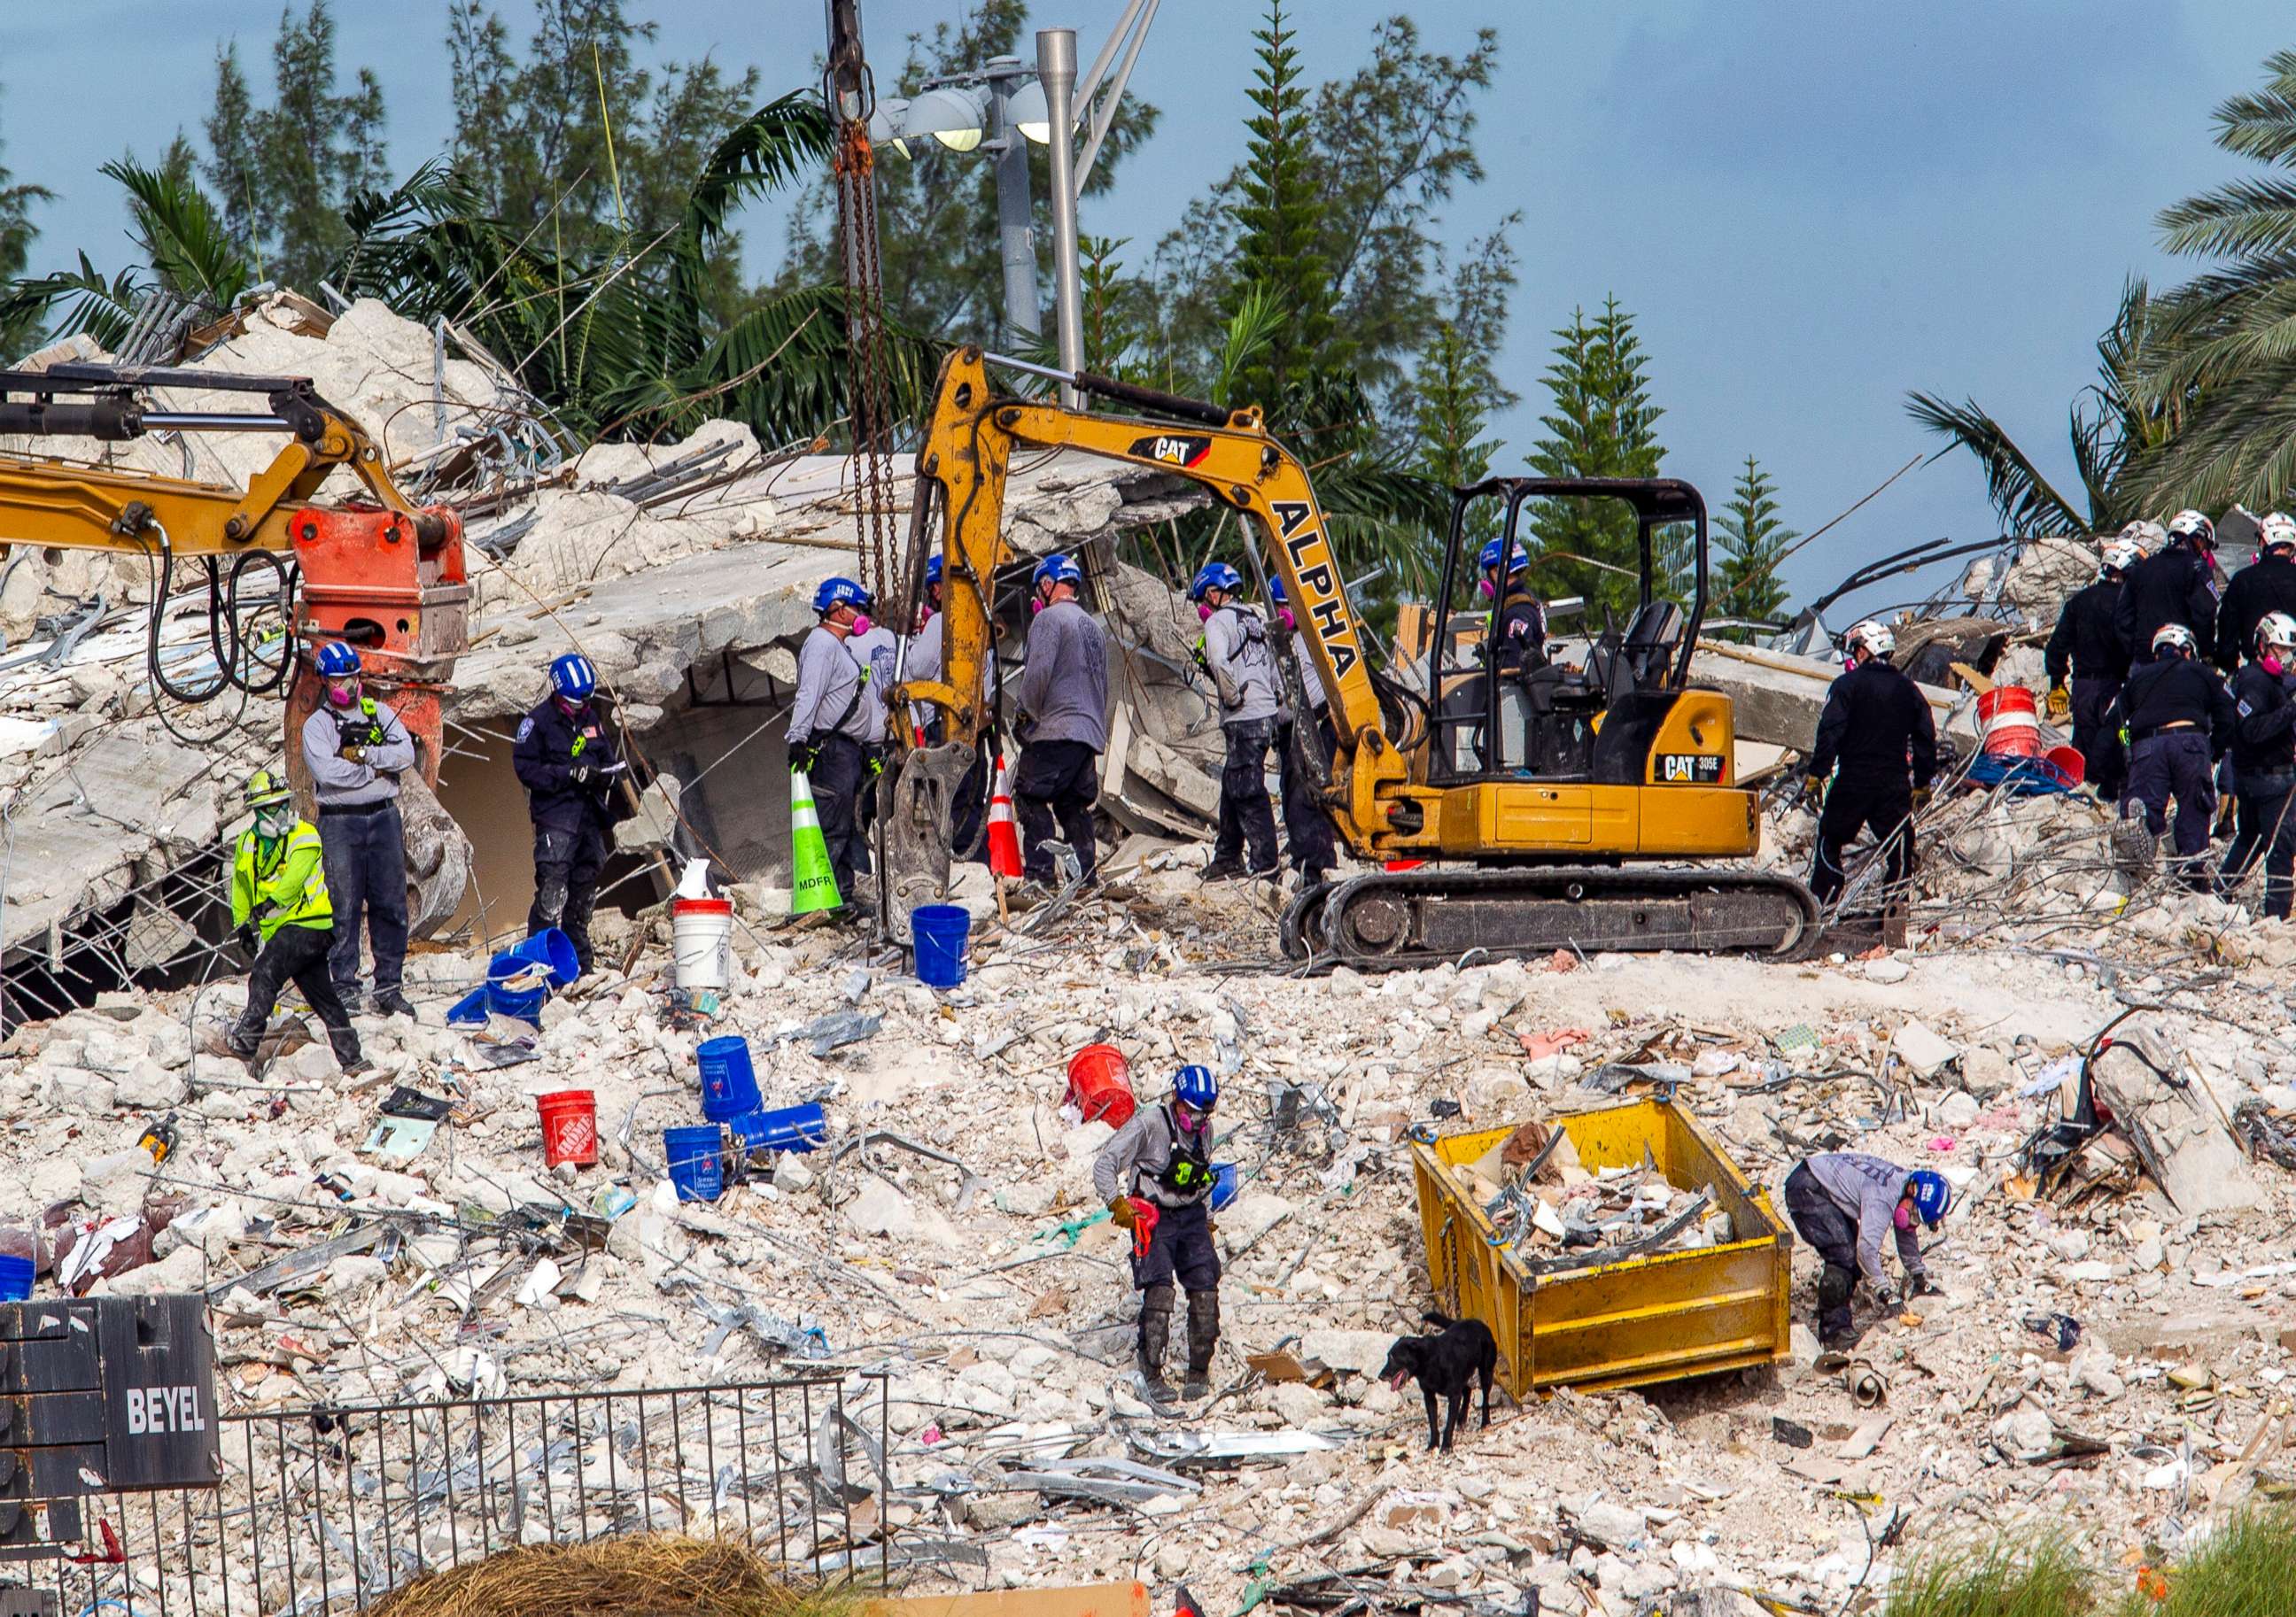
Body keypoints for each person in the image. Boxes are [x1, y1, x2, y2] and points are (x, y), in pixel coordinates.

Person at [299, 641, 416, 1017]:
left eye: (353, 677)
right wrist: (374, 770)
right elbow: (328, 774)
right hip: (340, 823)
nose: (348, 686)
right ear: (325, 682)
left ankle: (390, 986)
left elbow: (406, 754)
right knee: (342, 906)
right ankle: (344, 985)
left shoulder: (379, 713)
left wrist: (366, 755)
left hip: (383, 817)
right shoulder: (317, 727)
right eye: (340, 679)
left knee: (390, 903)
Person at [1095, 1064, 1223, 1401]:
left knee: (1206, 1289)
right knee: (1160, 1293)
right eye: (1191, 1113)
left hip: (1191, 1214)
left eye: (1203, 1115)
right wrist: (1116, 1203)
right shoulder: (1150, 1125)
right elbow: (1105, 1162)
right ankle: (1151, 1371)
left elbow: (1201, 1175)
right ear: (1176, 1101)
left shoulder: (1205, 1132)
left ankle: (1199, 1370)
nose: (1196, 1122)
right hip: (1153, 1216)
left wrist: (1206, 1218)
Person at [225, 770, 363, 1073]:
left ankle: (245, 1042)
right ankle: (352, 1058)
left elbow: (293, 880)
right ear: (257, 812)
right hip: (281, 933)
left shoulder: (305, 837)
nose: (280, 813)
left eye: (282, 805)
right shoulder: (248, 844)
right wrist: (242, 925)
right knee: (323, 997)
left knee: (265, 973)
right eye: (271, 808)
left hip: (310, 925)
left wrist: (271, 903)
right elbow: (241, 885)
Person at [1803, 619, 1937, 907]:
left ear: (1865, 649)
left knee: (1829, 841)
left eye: (1856, 650)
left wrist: (1817, 774)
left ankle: (1822, 906)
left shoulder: (1846, 686)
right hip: (1893, 784)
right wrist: (1923, 783)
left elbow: (1830, 733)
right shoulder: (1909, 690)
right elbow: (1926, 735)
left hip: (1853, 781)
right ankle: (1894, 914)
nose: (1854, 656)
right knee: (1900, 848)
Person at [511, 654, 629, 974]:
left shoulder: (591, 720)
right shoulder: (537, 724)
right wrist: (567, 774)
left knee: (583, 892)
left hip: (588, 815)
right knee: (552, 892)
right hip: (556, 817)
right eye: (575, 703)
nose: (581, 708)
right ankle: (537, 962)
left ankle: (580, 964)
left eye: (585, 702)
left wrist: (607, 776)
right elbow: (526, 769)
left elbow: (605, 756)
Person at [2111, 622, 2238, 884]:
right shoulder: (2203, 673)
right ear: (2186, 649)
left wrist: (2127, 750)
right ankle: (2191, 874)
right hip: (2190, 742)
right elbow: (2227, 712)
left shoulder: (2137, 679)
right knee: (2194, 809)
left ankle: (2141, 839)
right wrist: (2214, 750)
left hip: (2147, 745)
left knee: (2147, 803)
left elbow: (2118, 720)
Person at [1782, 1153, 1949, 1349]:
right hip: (1807, 1188)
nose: (1911, 1220)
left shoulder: (1904, 1184)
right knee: (1844, 1257)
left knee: (1850, 1253)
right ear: (1913, 1190)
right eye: (1913, 1213)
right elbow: (1867, 1250)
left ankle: (1839, 1315)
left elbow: (1905, 1231)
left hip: (1821, 1183)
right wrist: (1884, 1292)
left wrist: (1917, 1273)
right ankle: (1834, 1333)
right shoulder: (1883, 1198)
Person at [1012, 553, 1109, 888]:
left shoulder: (1049, 620)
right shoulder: (1094, 627)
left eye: (1041, 586)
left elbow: (1037, 673)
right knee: (1073, 805)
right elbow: (1102, 685)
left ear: (1049, 583)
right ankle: (1083, 877)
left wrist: (1025, 715)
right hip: (1087, 734)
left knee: (1029, 795)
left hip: (1056, 730)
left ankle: (1039, 876)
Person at [787, 576, 878, 911]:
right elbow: (809, 693)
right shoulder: (822, 645)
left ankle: (845, 896)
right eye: (855, 608)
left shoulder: (838, 646)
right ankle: (823, 900)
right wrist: (798, 737)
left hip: (848, 752)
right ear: (838, 610)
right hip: (833, 752)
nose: (859, 615)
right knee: (833, 824)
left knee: (849, 824)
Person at [1191, 561, 1283, 882]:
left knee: (1247, 789)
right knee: (1233, 783)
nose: (1204, 607)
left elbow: (1218, 662)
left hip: (1244, 714)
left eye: (1204, 598)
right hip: (1266, 712)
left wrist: (1231, 698)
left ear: (1215, 593)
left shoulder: (1217, 622)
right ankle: (1227, 856)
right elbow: (1271, 666)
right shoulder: (1254, 620)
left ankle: (1267, 865)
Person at [2045, 539, 2137, 803]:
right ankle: (2115, 797)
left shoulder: (2078, 602)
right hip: (2117, 690)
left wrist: (2056, 684)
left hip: (2084, 689)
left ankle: (2084, 800)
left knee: (2085, 743)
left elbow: (2056, 647)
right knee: (2122, 739)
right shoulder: (2128, 602)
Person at [2222, 611, 2296, 917]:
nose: (2286, 658)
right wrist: (2291, 709)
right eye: (2281, 651)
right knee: (2280, 848)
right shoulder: (2254, 682)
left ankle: (2219, 892)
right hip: (2268, 780)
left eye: (2289, 652)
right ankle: (2275, 918)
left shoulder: (2270, 681)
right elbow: (2252, 731)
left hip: (2257, 778)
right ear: (2263, 645)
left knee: (2248, 838)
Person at [1268, 576, 1338, 891]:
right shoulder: (1282, 642)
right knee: (1293, 794)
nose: (1282, 612)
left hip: (1310, 723)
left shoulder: (1310, 641)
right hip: (1291, 727)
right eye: (1279, 606)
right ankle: (1309, 858)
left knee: (1304, 797)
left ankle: (1314, 864)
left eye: (1285, 606)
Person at [2117, 509, 2222, 667]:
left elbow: (2123, 617)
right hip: (2181, 658)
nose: (2203, 549)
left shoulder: (2142, 568)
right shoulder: (2197, 568)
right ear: (2195, 538)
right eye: (2203, 542)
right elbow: (2204, 615)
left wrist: (2138, 648)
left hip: (2143, 660)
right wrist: (2206, 651)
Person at [2215, 513, 2296, 678]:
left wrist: (2230, 667)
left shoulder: (2243, 579)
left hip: (2255, 671)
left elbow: (2227, 631)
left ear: (2263, 541)